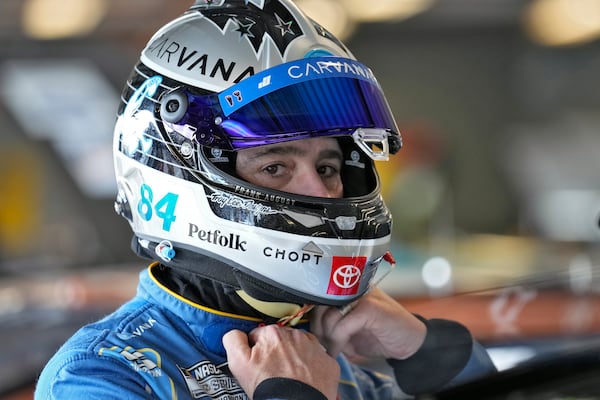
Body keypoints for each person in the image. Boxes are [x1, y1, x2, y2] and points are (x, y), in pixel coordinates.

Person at [35, 1, 496, 399]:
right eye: (276, 167)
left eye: (329, 168)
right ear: (177, 174)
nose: (320, 192)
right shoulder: (99, 376)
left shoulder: (342, 349)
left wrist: (429, 353)